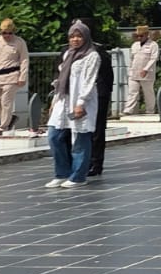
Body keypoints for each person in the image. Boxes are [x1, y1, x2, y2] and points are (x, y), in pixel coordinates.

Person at [44, 20, 101, 188]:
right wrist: (55, 100)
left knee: (81, 138)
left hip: (81, 101)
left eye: (79, 36)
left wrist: (81, 102)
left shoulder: (92, 56)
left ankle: (78, 176)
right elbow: (61, 79)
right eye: (72, 36)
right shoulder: (68, 54)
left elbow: (89, 81)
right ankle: (62, 172)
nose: (75, 39)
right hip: (64, 99)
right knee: (54, 135)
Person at [0, 19, 29, 133]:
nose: (7, 35)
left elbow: (24, 60)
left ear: (13, 32)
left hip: (12, 75)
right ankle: (10, 119)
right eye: (4, 33)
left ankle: (4, 126)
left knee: (6, 102)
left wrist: (22, 77)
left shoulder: (19, 42)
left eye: (10, 33)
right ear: (0, 31)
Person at [87, 31, 115, 178]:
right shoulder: (69, 51)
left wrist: (104, 94)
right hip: (76, 97)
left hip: (98, 94)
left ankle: (95, 162)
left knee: (97, 130)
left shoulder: (98, 51)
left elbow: (108, 76)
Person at [124, 24, 159, 116]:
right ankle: (128, 109)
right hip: (134, 72)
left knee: (148, 93)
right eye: (137, 36)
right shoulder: (135, 45)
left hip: (147, 73)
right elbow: (132, 58)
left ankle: (150, 110)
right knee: (132, 91)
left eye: (141, 36)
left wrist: (146, 69)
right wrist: (130, 70)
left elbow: (153, 58)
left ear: (147, 34)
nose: (139, 38)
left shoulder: (153, 45)